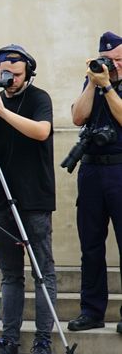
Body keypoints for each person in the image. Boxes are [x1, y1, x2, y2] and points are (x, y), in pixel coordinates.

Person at [0, 45, 58, 354]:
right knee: (10, 274)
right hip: (1, 197)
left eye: (16, 73)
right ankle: (9, 340)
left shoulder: (39, 98)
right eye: (5, 73)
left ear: (28, 72)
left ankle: (42, 341)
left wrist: (2, 112)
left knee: (43, 272)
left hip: (34, 198)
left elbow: (41, 132)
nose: (9, 79)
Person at [68, 31, 122, 334]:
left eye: (118, 60)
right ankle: (91, 310)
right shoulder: (94, 81)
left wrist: (109, 88)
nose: (113, 65)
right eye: (109, 60)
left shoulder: (113, 86)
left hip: (120, 168)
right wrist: (92, 82)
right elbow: (78, 117)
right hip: (91, 171)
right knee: (90, 246)